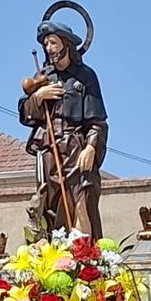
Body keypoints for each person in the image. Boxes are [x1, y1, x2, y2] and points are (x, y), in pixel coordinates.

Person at [19, 18, 108, 239]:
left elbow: (98, 121)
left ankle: (84, 253)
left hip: (76, 147)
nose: (49, 48)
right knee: (51, 205)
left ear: (66, 44)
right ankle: (55, 249)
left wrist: (91, 147)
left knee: (81, 197)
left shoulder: (85, 76)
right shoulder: (44, 77)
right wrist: (38, 97)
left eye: (53, 43)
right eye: (46, 44)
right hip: (50, 149)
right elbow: (25, 113)